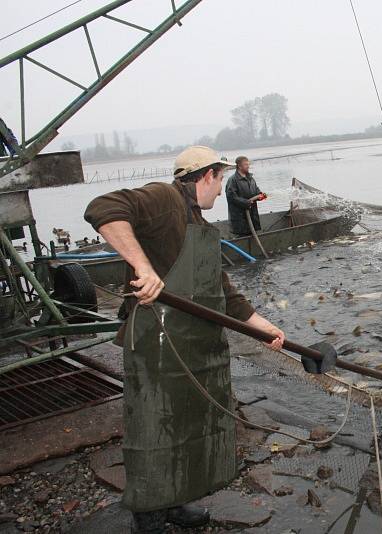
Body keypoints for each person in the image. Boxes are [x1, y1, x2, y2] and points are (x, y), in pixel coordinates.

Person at [84, 146, 285, 533]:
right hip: (156, 342)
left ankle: (173, 501)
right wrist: (142, 268)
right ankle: (148, 515)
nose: (220, 187)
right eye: (221, 179)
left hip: (194, 345)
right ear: (206, 175)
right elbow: (103, 208)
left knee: (188, 427)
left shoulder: (198, 222)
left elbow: (224, 294)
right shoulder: (163, 199)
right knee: (154, 429)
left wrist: (267, 329)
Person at [225, 156, 266, 236]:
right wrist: (246, 203)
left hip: (252, 216)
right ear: (239, 166)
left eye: (248, 164)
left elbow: (256, 191)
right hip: (240, 218)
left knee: (252, 235)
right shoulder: (232, 180)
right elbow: (231, 197)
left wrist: (261, 196)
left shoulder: (251, 178)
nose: (248, 166)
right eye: (246, 164)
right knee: (242, 236)